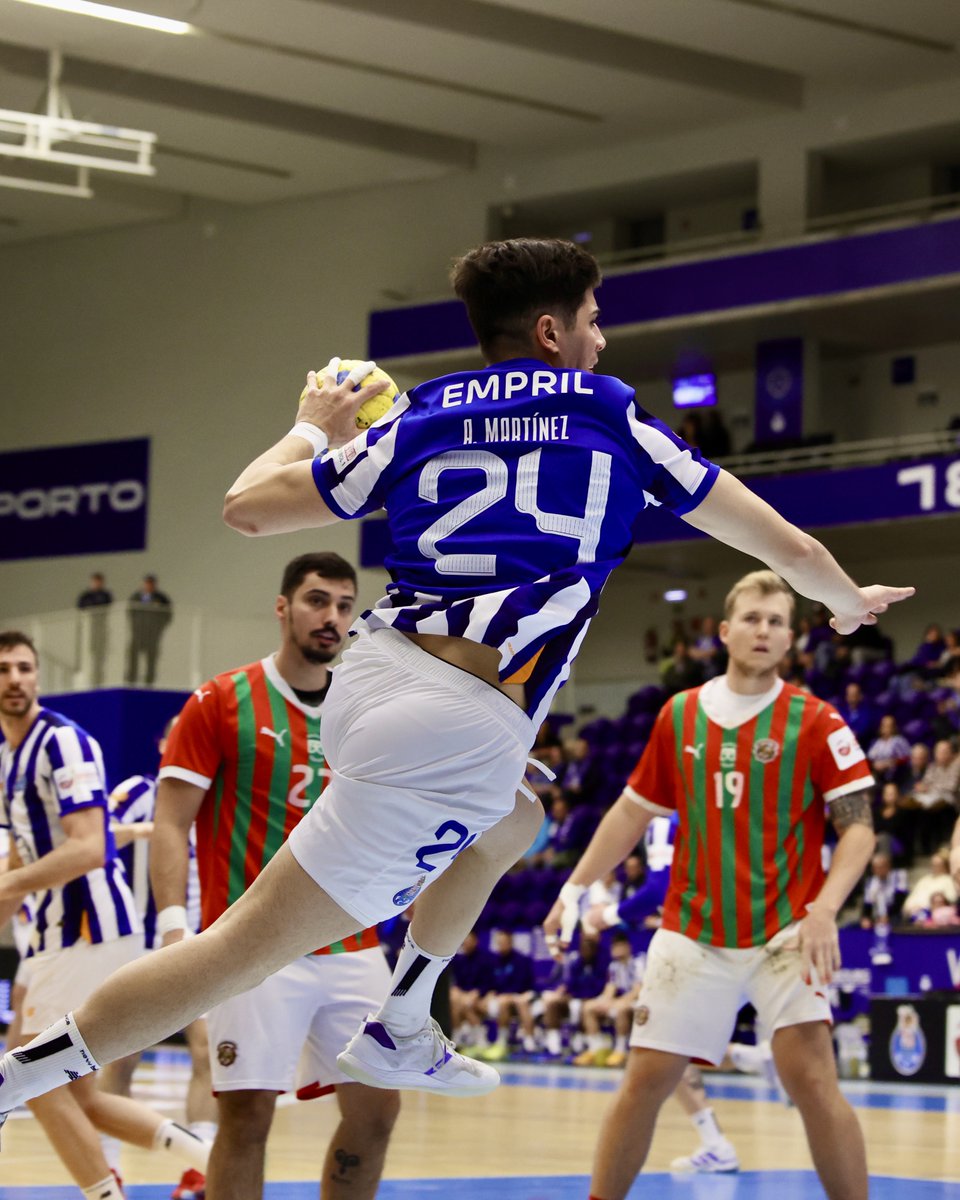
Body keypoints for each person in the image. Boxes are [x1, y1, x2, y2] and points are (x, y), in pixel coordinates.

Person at [0, 236, 913, 1121]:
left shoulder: (422, 413)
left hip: (373, 677)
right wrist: (846, 601)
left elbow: (245, 509)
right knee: (235, 953)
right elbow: (789, 549)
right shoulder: (609, 414)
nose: (601, 339)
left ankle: (405, 1015)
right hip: (458, 720)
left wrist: (310, 426)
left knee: (515, 817)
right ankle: (20, 1079)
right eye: (592, 320)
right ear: (552, 332)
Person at [545, 570, 878, 1200]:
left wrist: (826, 908)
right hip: (693, 931)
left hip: (786, 930)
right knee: (646, 1079)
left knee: (812, 1080)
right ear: (724, 632)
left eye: (776, 621)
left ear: (790, 639)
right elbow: (631, 812)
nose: (763, 630)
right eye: (752, 618)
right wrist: (575, 886)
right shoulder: (680, 715)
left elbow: (859, 828)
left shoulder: (817, 720)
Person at [149, 553, 400, 1200]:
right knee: (247, 1115)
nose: (332, 617)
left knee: (378, 1110)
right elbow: (170, 822)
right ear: (283, 607)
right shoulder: (219, 700)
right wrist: (174, 929)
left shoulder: (368, 709)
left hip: (351, 942)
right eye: (317, 601)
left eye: (344, 605)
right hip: (251, 945)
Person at [0, 631, 209, 1197]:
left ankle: (106, 1193)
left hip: (88, 930)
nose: (15, 678)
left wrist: (10, 883)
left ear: (38, 676)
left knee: (32, 1078)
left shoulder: (62, 742)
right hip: (58, 936)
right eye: (4, 669)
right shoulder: (10, 759)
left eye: (24, 667)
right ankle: (207, 1159)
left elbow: (91, 847)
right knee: (80, 1094)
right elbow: (20, 856)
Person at [100, 723, 215, 1200]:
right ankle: (108, 1168)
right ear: (162, 745)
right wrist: (145, 831)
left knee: (209, 1053)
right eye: (175, 737)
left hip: (203, 947)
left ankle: (201, 1168)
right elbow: (95, 837)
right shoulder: (139, 791)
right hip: (140, 946)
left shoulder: (218, 801)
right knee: (120, 1059)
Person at [126, 575, 173, 687]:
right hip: (138, 633)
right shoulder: (136, 597)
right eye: (147, 583)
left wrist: (158, 627)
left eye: (151, 583)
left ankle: (149, 682)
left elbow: (167, 615)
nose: (148, 586)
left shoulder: (161, 598)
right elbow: (130, 613)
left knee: (151, 658)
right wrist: (135, 626)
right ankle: (131, 681)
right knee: (133, 656)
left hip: (152, 634)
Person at [76, 572, 113, 688]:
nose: (97, 584)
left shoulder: (106, 595)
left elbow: (108, 606)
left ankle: (99, 680)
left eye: (99, 581)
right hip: (88, 630)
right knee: (88, 655)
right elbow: (81, 606)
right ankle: (89, 680)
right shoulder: (86, 595)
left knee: (99, 656)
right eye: (95, 581)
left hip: (101, 629)